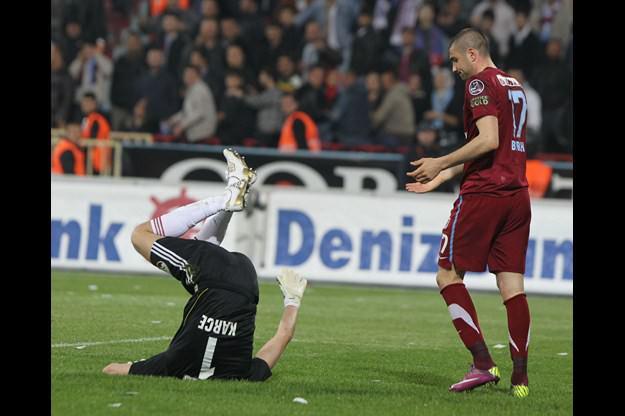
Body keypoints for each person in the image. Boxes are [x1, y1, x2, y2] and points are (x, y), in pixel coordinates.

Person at [103, 149, 308, 381]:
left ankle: (229, 198)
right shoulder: (172, 365)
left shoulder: (243, 375)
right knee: (145, 237)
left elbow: (284, 335)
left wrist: (293, 300)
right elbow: (111, 370)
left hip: (246, 280)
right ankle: (228, 197)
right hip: (212, 276)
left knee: (168, 246)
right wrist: (138, 365)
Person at [406, 28, 532, 398]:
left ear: (473, 53)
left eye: (455, 60)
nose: (454, 67)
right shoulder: (514, 86)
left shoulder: (478, 84)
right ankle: (520, 380)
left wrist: (439, 161)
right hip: (517, 196)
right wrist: (444, 174)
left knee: (447, 275)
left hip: (484, 195)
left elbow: (488, 139)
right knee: (512, 287)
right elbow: (498, 147)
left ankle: (481, 363)